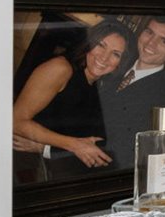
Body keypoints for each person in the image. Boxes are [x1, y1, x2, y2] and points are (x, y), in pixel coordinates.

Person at [12, 19, 132, 182]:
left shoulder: (97, 87)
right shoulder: (61, 68)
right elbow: (15, 121)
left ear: (121, 63)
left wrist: (45, 147)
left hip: (49, 166)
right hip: (22, 164)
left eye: (116, 54)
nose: (104, 57)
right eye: (101, 45)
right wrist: (73, 144)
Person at [98, 16, 165, 169]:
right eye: (149, 32)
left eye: (163, 41)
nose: (151, 43)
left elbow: (130, 156)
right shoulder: (114, 59)